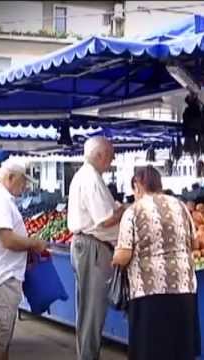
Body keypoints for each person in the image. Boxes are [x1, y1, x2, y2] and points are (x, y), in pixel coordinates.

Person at [112, 166, 200, 360]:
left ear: (138, 185)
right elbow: (195, 243)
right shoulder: (180, 206)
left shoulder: (133, 211)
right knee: (180, 348)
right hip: (184, 287)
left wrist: (114, 259)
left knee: (150, 349)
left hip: (149, 290)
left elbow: (124, 254)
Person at [0, 159, 46, 360]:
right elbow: (7, 239)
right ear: (10, 177)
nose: (26, 186)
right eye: (23, 181)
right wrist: (33, 243)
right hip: (0, 283)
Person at [67, 136, 126, 360]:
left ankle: (87, 355)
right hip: (93, 249)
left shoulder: (85, 176)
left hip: (88, 247)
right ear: (100, 155)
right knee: (92, 311)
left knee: (87, 309)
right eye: (110, 156)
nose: (111, 161)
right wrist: (123, 210)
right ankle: (88, 357)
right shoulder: (90, 178)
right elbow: (104, 220)